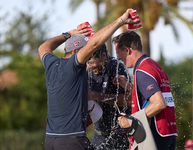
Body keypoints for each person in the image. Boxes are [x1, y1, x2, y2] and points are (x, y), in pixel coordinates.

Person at [38, 8, 139, 150]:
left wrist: (68, 34)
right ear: (75, 52)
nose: (89, 59)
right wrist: (121, 21)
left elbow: (43, 47)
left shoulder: (51, 64)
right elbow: (94, 43)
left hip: (51, 140)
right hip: (71, 141)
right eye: (87, 54)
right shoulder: (73, 66)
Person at [112, 30, 178, 150]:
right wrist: (131, 88)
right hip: (168, 134)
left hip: (154, 136)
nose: (118, 58)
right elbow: (154, 96)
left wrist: (132, 120)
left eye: (118, 53)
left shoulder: (142, 71)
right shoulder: (154, 66)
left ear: (127, 50)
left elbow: (159, 103)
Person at [87, 43, 132, 150]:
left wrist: (97, 96)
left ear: (103, 56)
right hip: (100, 133)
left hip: (120, 133)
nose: (90, 66)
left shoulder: (116, 68)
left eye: (92, 62)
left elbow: (129, 99)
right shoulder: (88, 71)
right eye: (88, 62)